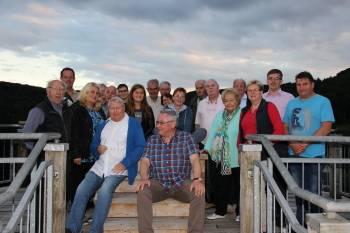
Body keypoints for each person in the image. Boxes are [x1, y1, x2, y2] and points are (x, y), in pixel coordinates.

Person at [66, 97, 146, 233]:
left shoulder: (132, 124)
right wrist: (97, 149)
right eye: (111, 108)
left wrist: (125, 163)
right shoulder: (103, 124)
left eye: (118, 108)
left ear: (123, 108)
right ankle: (72, 228)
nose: (114, 111)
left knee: (104, 191)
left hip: (119, 168)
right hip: (100, 166)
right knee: (81, 190)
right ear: (108, 109)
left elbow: (140, 146)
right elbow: (93, 145)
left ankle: (95, 230)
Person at [137, 109, 205, 233]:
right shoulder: (152, 140)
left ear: (173, 124)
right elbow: (145, 161)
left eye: (161, 123)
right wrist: (144, 178)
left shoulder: (186, 138)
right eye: (157, 122)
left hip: (181, 184)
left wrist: (196, 179)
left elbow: (195, 159)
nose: (157, 126)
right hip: (159, 184)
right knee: (143, 190)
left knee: (198, 192)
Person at [283, 71, 334, 224]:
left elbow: (326, 127)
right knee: (298, 192)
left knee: (314, 193)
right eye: (298, 84)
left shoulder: (323, 101)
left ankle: (314, 225)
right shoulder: (292, 103)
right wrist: (292, 144)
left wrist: (306, 143)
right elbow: (285, 125)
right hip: (294, 154)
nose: (301, 87)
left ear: (312, 84)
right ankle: (300, 224)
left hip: (314, 155)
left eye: (305, 84)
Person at [67, 82, 107, 205]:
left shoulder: (99, 110)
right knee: (79, 186)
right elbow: (71, 132)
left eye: (97, 93)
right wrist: (75, 154)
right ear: (85, 92)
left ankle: (86, 215)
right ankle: (75, 216)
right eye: (92, 92)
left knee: (91, 187)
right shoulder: (77, 108)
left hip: (96, 155)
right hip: (82, 154)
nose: (95, 95)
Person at [204, 88, 241, 221]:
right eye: (226, 100)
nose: (229, 103)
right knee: (221, 185)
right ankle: (220, 211)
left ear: (237, 100)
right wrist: (207, 147)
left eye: (231, 100)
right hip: (220, 156)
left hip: (236, 156)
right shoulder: (220, 114)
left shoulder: (242, 113)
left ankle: (240, 213)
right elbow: (213, 131)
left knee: (238, 185)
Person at [195, 79, 224, 203]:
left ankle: (221, 201)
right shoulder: (201, 103)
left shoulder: (225, 101)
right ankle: (209, 200)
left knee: (221, 174)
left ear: (218, 87)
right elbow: (197, 124)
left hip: (221, 142)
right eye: (208, 86)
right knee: (206, 174)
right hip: (205, 143)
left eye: (213, 86)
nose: (210, 88)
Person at [23, 79, 68, 147]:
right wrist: (39, 153)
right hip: (46, 155)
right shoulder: (38, 111)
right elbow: (26, 135)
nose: (58, 92)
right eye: (55, 89)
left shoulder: (66, 110)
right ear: (48, 91)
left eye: (61, 89)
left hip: (63, 153)